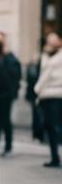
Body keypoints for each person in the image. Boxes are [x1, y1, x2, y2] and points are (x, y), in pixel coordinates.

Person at [34, 31, 62, 168]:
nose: (50, 43)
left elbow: (44, 77)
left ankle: (55, 157)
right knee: (53, 128)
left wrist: (37, 90)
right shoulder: (49, 56)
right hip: (50, 96)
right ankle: (55, 156)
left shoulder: (55, 59)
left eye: (53, 40)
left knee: (53, 128)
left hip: (52, 95)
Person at [0, 32, 22, 157]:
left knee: (5, 120)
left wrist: (13, 91)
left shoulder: (10, 58)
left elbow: (15, 76)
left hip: (5, 96)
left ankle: (8, 146)